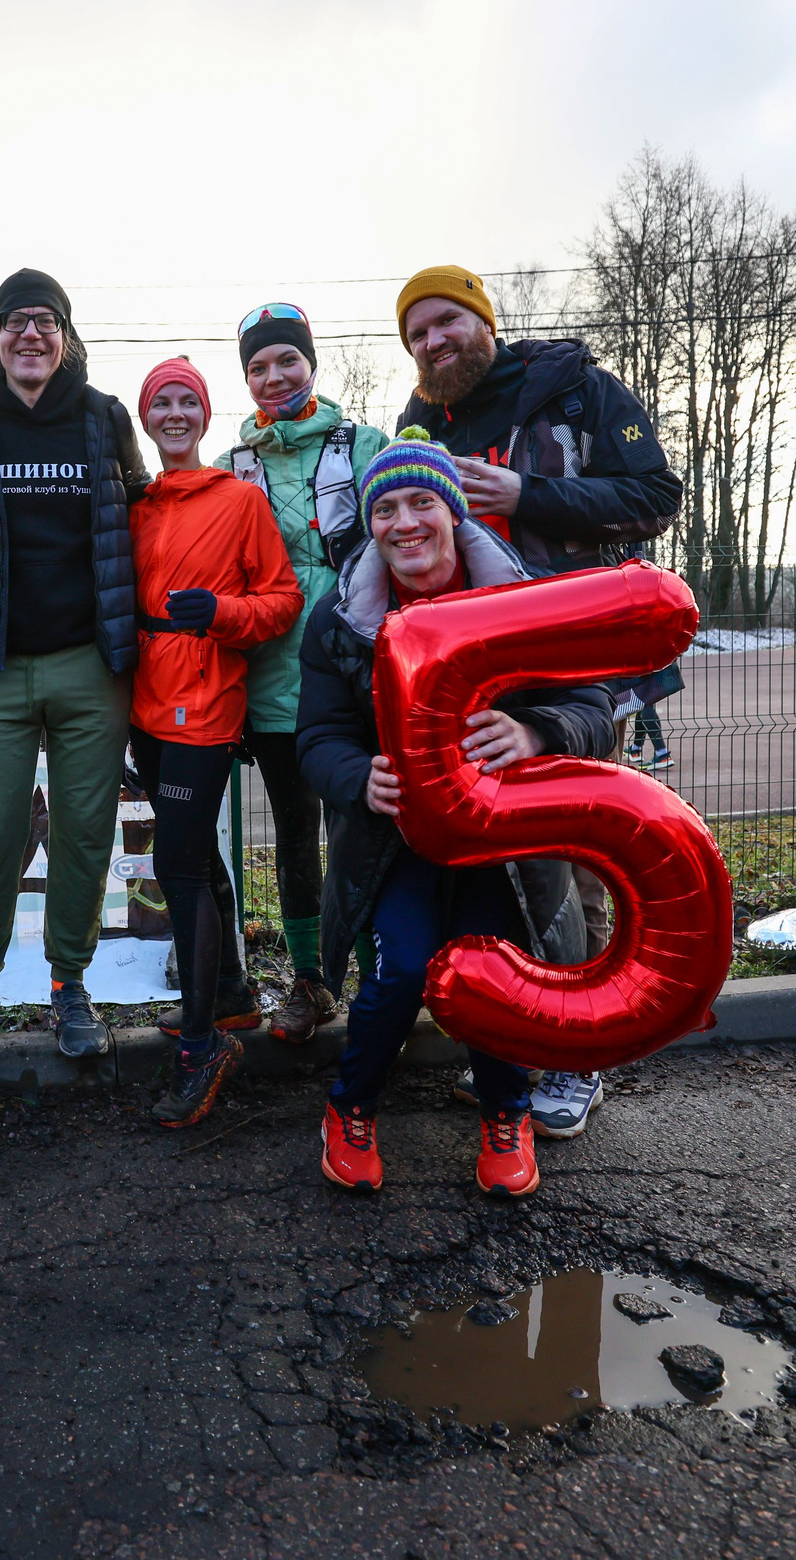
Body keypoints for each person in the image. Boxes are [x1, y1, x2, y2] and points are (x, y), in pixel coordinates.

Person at [394, 264, 683, 1142]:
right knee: (497, 863)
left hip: (576, 668)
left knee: (571, 855)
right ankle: (522, 1033)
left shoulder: (576, 390)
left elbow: (654, 497)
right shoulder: (418, 421)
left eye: (446, 322)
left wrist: (528, 495)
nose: (434, 342)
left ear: (483, 322)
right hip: (472, 678)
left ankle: (577, 1054)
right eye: (417, 334)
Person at [295, 433, 615, 1198]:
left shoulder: (523, 599)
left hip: (501, 842)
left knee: (490, 969)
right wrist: (357, 776)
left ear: (453, 511)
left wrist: (534, 733)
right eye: (385, 509)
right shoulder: (339, 619)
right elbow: (317, 739)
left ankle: (507, 1113)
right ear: (369, 525)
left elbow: (593, 708)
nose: (404, 523)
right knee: (403, 968)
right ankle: (350, 1107)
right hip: (394, 839)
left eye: (422, 502)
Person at [0, 269, 153, 1062]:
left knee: (85, 834)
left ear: (66, 336)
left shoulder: (104, 418)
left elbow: (144, 514)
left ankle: (70, 985)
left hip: (90, 664)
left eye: (45, 321)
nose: (30, 334)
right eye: (15, 321)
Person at [126, 356, 301, 1125]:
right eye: (160, 403)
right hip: (144, 704)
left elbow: (283, 601)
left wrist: (224, 614)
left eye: (185, 402)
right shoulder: (138, 505)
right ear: (146, 418)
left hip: (205, 702)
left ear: (203, 414)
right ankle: (228, 995)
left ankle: (202, 1046)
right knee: (194, 854)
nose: (174, 413)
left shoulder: (240, 499)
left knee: (177, 866)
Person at [216, 303, 389, 1044]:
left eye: (287, 359)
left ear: (311, 363)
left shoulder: (365, 445)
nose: (274, 376)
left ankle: (381, 979)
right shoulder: (233, 468)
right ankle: (312, 982)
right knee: (294, 833)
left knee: (366, 826)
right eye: (258, 367)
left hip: (358, 673)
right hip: (271, 680)